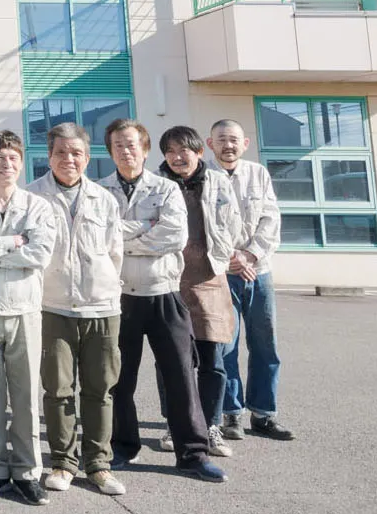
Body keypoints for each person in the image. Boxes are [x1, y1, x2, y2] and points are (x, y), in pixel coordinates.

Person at [103, 118, 226, 484]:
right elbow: (100, 239)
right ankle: (123, 446)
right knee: (119, 379)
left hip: (164, 293)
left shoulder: (166, 188)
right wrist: (147, 227)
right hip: (119, 296)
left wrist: (124, 238)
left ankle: (193, 454)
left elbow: (174, 236)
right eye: (118, 145)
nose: (125, 151)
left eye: (131, 144)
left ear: (144, 149)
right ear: (110, 152)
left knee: (180, 376)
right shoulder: (100, 191)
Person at [28, 122, 124, 496]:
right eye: (61, 152)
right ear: (49, 156)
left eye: (76, 153)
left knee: (101, 389)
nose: (69, 159)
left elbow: (115, 253)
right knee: (58, 389)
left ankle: (99, 464)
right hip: (53, 307)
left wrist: (101, 286)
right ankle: (63, 463)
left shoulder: (104, 199)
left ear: (87, 156)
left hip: (101, 307)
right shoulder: (32, 197)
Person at [0, 129, 58, 507]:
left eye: (13, 158)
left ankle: (27, 471)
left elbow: (40, 254)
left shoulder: (37, 205)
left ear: (21, 163)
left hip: (25, 308)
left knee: (26, 396)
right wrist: (13, 242)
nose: (7, 164)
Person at [156, 125, 244, 460]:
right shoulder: (157, 184)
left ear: (198, 152)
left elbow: (233, 222)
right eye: (170, 151)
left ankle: (210, 425)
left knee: (213, 360)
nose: (177, 157)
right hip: (169, 280)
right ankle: (175, 425)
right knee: (172, 362)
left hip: (210, 278)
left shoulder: (218, 181)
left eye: (184, 150)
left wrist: (224, 253)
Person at [207, 119, 294, 442]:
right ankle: (231, 413)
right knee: (225, 346)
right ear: (210, 144)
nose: (227, 145)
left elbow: (271, 219)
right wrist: (232, 258)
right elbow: (206, 224)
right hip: (223, 272)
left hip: (259, 271)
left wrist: (250, 256)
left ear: (244, 143)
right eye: (221, 139)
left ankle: (264, 414)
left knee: (264, 344)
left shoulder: (258, 173)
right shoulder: (204, 176)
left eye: (233, 139)